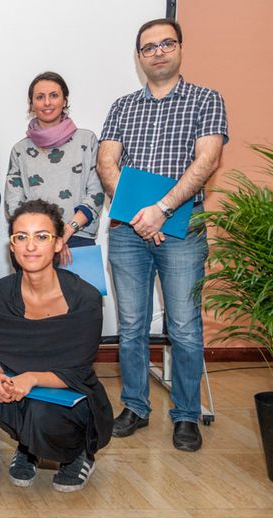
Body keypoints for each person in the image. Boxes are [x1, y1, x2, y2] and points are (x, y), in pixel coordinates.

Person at [96, 18, 228, 452]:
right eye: (148, 47)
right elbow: (106, 162)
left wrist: (162, 209)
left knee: (184, 327)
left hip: (181, 228)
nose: (158, 53)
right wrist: (140, 215)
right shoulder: (122, 106)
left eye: (166, 44)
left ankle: (186, 414)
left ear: (180, 48)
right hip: (129, 231)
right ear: (139, 57)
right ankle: (135, 406)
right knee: (131, 325)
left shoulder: (206, 99)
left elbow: (207, 160)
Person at [0, 199, 113, 492]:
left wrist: (31, 378)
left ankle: (78, 453)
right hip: (22, 388)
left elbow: (78, 372)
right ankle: (28, 447)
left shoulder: (86, 298)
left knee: (42, 413)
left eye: (41, 236)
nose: (30, 246)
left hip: (72, 394)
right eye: (21, 237)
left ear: (58, 243)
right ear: (12, 245)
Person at [5, 72, 104, 265]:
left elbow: (96, 194)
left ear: (65, 100)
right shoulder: (20, 150)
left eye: (54, 95)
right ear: (31, 104)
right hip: (34, 244)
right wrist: (46, 237)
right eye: (40, 97)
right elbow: (13, 203)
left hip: (78, 237)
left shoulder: (87, 141)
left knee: (81, 287)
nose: (47, 102)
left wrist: (65, 232)